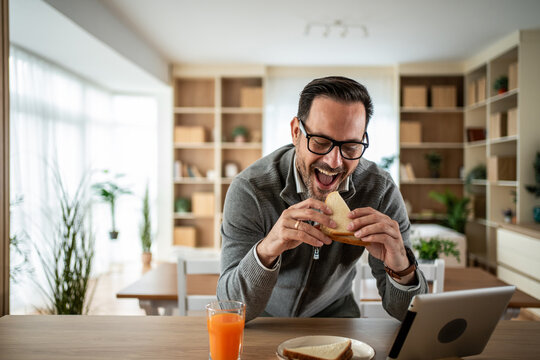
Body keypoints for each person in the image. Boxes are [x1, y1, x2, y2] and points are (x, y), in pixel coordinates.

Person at [217, 76, 428, 322]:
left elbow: (409, 315)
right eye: (320, 142)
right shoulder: (250, 190)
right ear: (296, 132)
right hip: (264, 320)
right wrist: (266, 250)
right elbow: (230, 308)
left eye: (350, 147)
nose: (334, 162)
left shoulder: (380, 191)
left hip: (337, 317)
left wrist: (401, 266)